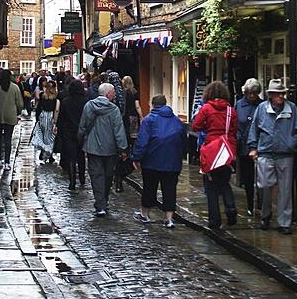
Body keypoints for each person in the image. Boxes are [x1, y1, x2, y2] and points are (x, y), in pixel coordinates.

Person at [247, 78, 297, 235]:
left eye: (282, 94)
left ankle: (284, 222)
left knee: (285, 189)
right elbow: (254, 129)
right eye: (277, 94)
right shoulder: (262, 108)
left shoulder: (291, 109)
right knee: (264, 185)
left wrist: (291, 144)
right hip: (265, 152)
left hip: (285, 154)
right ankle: (266, 214)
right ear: (271, 95)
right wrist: (253, 147)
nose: (281, 97)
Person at [131, 94, 187, 228]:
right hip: (172, 162)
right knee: (170, 189)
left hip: (152, 161)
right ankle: (169, 218)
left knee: (149, 188)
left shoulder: (148, 120)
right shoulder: (177, 121)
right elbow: (184, 142)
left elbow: (142, 141)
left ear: (153, 105)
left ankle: (145, 214)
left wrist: (136, 157)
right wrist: (180, 155)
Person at [192, 81, 238, 230]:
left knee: (211, 186)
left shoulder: (206, 109)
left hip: (211, 149)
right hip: (226, 149)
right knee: (224, 182)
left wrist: (208, 127)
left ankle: (214, 220)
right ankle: (230, 210)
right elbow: (234, 130)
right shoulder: (231, 111)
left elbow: (195, 126)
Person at [78, 83, 127, 216]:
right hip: (110, 147)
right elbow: (118, 130)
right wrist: (122, 148)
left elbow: (83, 125)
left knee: (96, 176)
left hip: (92, 147)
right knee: (107, 175)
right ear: (108, 94)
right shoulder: (114, 109)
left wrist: (80, 139)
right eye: (113, 92)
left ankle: (100, 204)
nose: (115, 94)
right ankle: (103, 201)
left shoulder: (89, 106)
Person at [235, 78, 262, 215]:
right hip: (243, 147)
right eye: (249, 93)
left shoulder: (262, 105)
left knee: (261, 178)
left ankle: (261, 204)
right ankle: (250, 205)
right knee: (248, 177)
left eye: (255, 93)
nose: (252, 95)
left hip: (260, 146)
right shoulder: (239, 105)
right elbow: (235, 124)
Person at [0, 68, 23, 171]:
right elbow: (20, 103)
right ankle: (7, 162)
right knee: (8, 139)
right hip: (10, 116)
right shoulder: (15, 88)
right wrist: (18, 112)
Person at [57, 79, 87, 189]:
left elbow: (62, 118)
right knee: (81, 156)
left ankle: (72, 181)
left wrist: (60, 132)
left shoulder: (65, 101)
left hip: (69, 132)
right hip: (82, 132)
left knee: (71, 157)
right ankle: (82, 179)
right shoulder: (85, 101)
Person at [31, 80, 60, 163]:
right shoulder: (55, 98)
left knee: (43, 135)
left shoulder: (42, 96)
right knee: (50, 136)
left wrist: (37, 119)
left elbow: (39, 108)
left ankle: (43, 151)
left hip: (43, 116)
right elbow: (56, 110)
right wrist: (55, 121)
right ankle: (49, 154)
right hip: (50, 116)